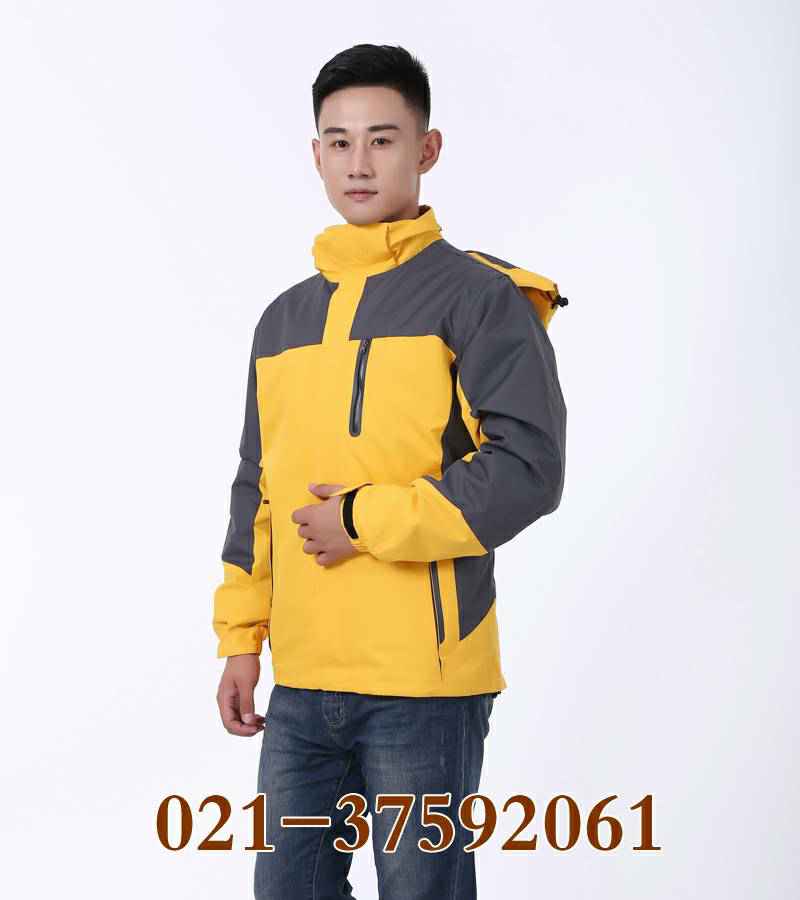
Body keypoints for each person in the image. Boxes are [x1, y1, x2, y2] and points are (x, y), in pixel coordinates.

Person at [212, 43, 568, 900]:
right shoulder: (282, 320)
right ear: (316, 155)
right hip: (303, 685)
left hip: (424, 685)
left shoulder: (478, 298)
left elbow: (529, 468)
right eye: (339, 142)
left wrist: (361, 519)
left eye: (382, 139)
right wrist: (240, 640)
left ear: (427, 149)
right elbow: (256, 489)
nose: (359, 163)